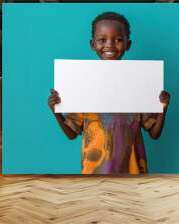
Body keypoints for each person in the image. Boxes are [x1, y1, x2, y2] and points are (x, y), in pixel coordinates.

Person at [48, 12, 170, 174]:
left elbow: (155, 133)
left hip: (133, 170)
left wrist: (163, 108)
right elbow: (71, 134)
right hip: (94, 170)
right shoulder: (82, 85)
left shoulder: (140, 84)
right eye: (102, 39)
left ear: (128, 44)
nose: (110, 45)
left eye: (119, 39)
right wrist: (55, 110)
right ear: (92, 44)